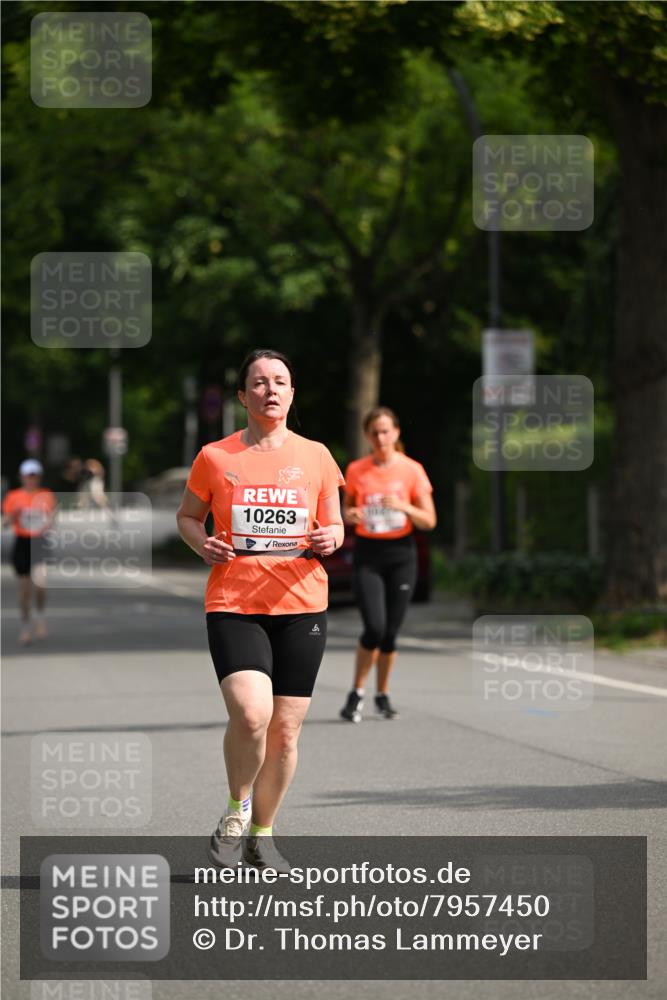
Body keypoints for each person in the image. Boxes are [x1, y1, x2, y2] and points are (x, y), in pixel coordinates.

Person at [176, 349, 344, 872]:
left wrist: (330, 536)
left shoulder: (316, 455)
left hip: (302, 602)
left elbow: (335, 525)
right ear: (242, 396)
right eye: (260, 382)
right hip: (234, 600)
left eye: (281, 382)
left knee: (285, 732)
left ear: (292, 394)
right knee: (251, 714)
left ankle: (263, 835)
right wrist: (202, 544)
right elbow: (187, 516)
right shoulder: (215, 456)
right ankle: (235, 810)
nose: (271, 390)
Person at [339, 407, 436, 722]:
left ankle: (382, 694)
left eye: (386, 431)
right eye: (374, 433)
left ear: (396, 433)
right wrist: (349, 515)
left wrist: (404, 505)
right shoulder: (356, 469)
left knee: (391, 633)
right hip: (368, 554)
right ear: (367, 436)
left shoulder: (412, 470)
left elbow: (429, 521)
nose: (380, 438)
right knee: (374, 627)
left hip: (401, 555)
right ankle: (356, 693)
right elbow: (346, 510)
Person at [1, 459, 57, 644]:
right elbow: (5, 523)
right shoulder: (13, 496)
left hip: (39, 541)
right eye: (28, 475)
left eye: (34, 476)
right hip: (23, 543)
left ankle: (40, 617)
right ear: (22, 477)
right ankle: (25, 627)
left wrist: (48, 523)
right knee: (25, 591)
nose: (31, 479)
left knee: (40, 585)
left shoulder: (46, 495)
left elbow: (51, 517)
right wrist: (13, 515)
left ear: (39, 477)